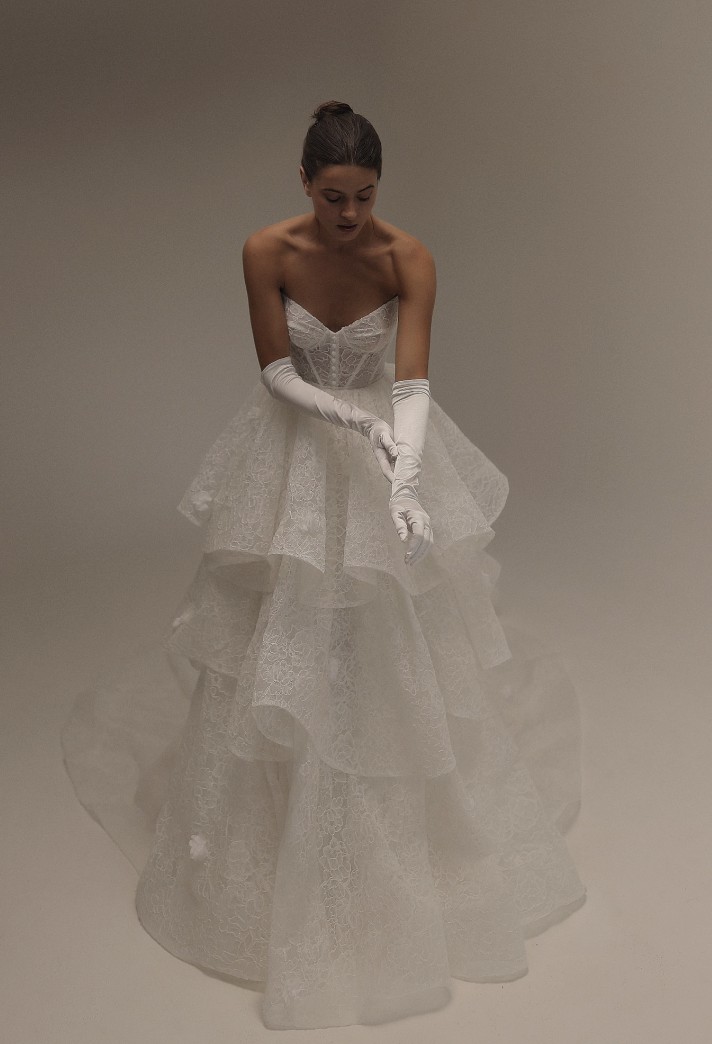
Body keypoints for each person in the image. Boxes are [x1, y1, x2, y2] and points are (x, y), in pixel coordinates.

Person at [61, 100, 587, 1031]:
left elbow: (412, 381)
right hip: (296, 444)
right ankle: (280, 826)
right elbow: (276, 372)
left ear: (379, 188)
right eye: (334, 196)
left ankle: (396, 830)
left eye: (365, 196)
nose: (349, 214)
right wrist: (350, 419)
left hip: (391, 446)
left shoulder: (408, 258)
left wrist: (404, 477)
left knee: (393, 635)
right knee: (284, 633)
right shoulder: (267, 251)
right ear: (304, 182)